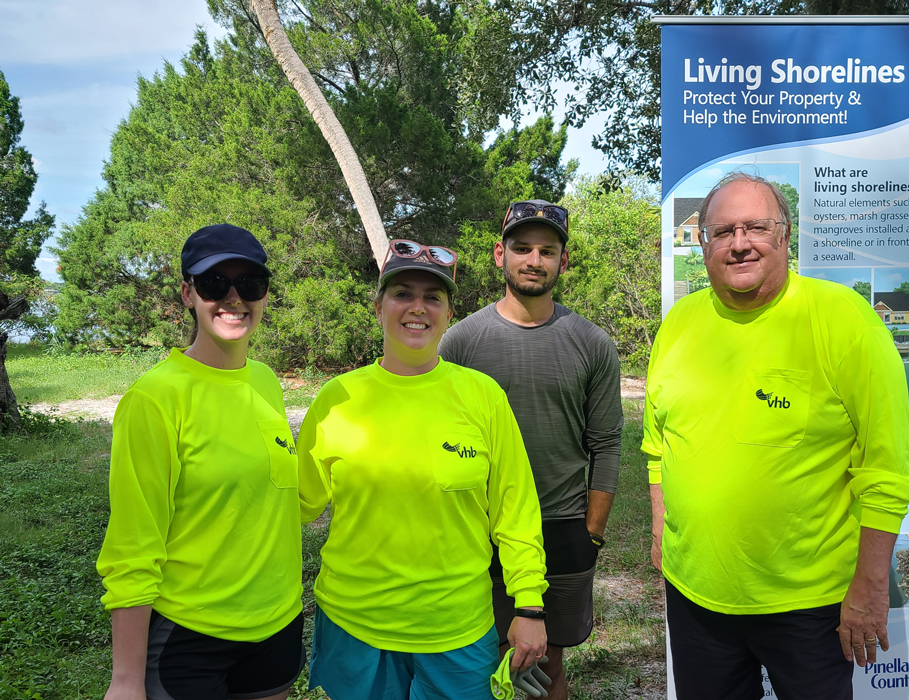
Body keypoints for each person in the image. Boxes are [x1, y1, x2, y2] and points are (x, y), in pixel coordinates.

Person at [643, 173, 909, 699]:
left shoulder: (843, 319)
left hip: (807, 605)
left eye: (755, 228)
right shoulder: (679, 323)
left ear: (785, 235)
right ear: (702, 245)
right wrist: (660, 529)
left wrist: (870, 585)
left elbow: (887, 468)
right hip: (696, 598)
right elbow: (657, 442)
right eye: (722, 232)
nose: (739, 243)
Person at [297, 239, 548, 700]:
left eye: (433, 297)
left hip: (457, 629)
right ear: (378, 308)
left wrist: (529, 606)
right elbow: (291, 505)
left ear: (449, 313)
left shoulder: (482, 395)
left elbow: (515, 507)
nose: (418, 307)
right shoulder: (337, 398)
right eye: (402, 294)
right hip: (354, 626)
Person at [97, 224, 304, 700]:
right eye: (215, 284)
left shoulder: (266, 381)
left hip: (277, 626)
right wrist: (125, 680)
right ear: (189, 294)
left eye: (249, 285)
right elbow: (132, 544)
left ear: (266, 295)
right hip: (190, 636)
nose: (233, 298)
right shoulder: (155, 398)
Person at [439, 200, 623, 699]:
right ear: (500, 254)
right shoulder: (459, 342)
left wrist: (593, 533)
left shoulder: (591, 344)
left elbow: (606, 444)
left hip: (560, 528)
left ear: (564, 261)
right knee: (479, 665)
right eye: (522, 248)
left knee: (544, 672)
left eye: (547, 250)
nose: (533, 260)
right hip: (476, 528)